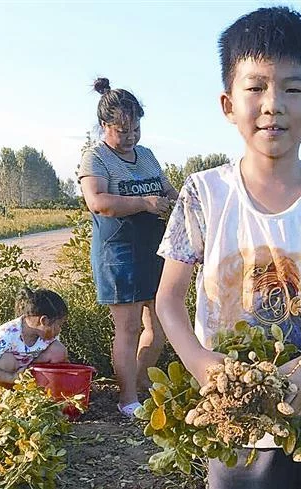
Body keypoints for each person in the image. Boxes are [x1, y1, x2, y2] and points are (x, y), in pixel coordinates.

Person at [156, 7, 301, 489]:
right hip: (235, 416)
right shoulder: (203, 195)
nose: (273, 104)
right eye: (255, 87)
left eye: (292, 89)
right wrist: (202, 365)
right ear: (228, 104)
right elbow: (168, 299)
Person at [77, 78, 179, 418]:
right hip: (118, 251)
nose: (131, 136)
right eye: (123, 130)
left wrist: (181, 204)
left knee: (162, 324)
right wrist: (145, 203)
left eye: (135, 128)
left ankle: (138, 384)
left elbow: (168, 191)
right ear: (105, 126)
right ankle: (127, 399)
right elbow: (98, 202)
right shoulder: (96, 158)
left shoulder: (147, 156)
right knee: (130, 327)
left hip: (155, 248)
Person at [0, 287, 68, 393]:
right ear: (43, 321)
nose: (59, 330)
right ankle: (1, 395)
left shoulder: (48, 335)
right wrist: (12, 378)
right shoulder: (7, 333)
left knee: (58, 350)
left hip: (23, 372)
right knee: (7, 360)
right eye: (59, 325)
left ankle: (37, 390)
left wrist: (27, 372)